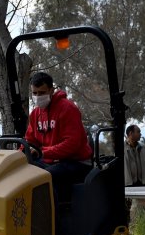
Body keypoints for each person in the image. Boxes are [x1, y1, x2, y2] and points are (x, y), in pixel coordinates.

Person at [24, 71, 93, 205]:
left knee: (45, 176)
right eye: (35, 93)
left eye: (42, 92)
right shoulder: (35, 114)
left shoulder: (67, 108)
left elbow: (73, 143)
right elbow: (30, 140)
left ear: (51, 90)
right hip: (52, 160)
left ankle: (54, 218)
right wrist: (21, 152)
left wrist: (43, 152)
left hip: (77, 162)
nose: (38, 97)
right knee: (23, 170)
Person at [124, 124, 145, 223]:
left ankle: (144, 229)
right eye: (138, 132)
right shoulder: (122, 149)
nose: (140, 134)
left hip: (142, 182)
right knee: (125, 208)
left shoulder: (143, 148)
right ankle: (126, 229)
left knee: (143, 208)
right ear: (130, 133)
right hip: (128, 183)